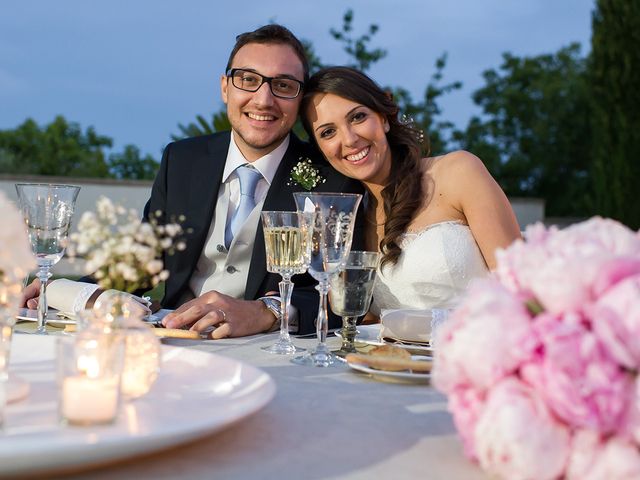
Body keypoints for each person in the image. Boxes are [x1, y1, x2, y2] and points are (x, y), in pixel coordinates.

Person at [22, 25, 363, 337]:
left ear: (300, 99)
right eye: (247, 79)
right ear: (225, 87)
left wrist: (267, 312)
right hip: (170, 340)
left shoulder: (334, 177)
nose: (263, 99)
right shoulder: (181, 160)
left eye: (283, 85)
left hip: (273, 352)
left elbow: (343, 296)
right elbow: (142, 262)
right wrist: (65, 291)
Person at [300, 66, 521, 318]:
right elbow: (364, 321)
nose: (349, 139)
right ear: (320, 149)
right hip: (392, 357)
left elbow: (522, 288)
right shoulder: (349, 222)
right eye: (328, 132)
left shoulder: (458, 172)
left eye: (358, 117)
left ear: (383, 118)